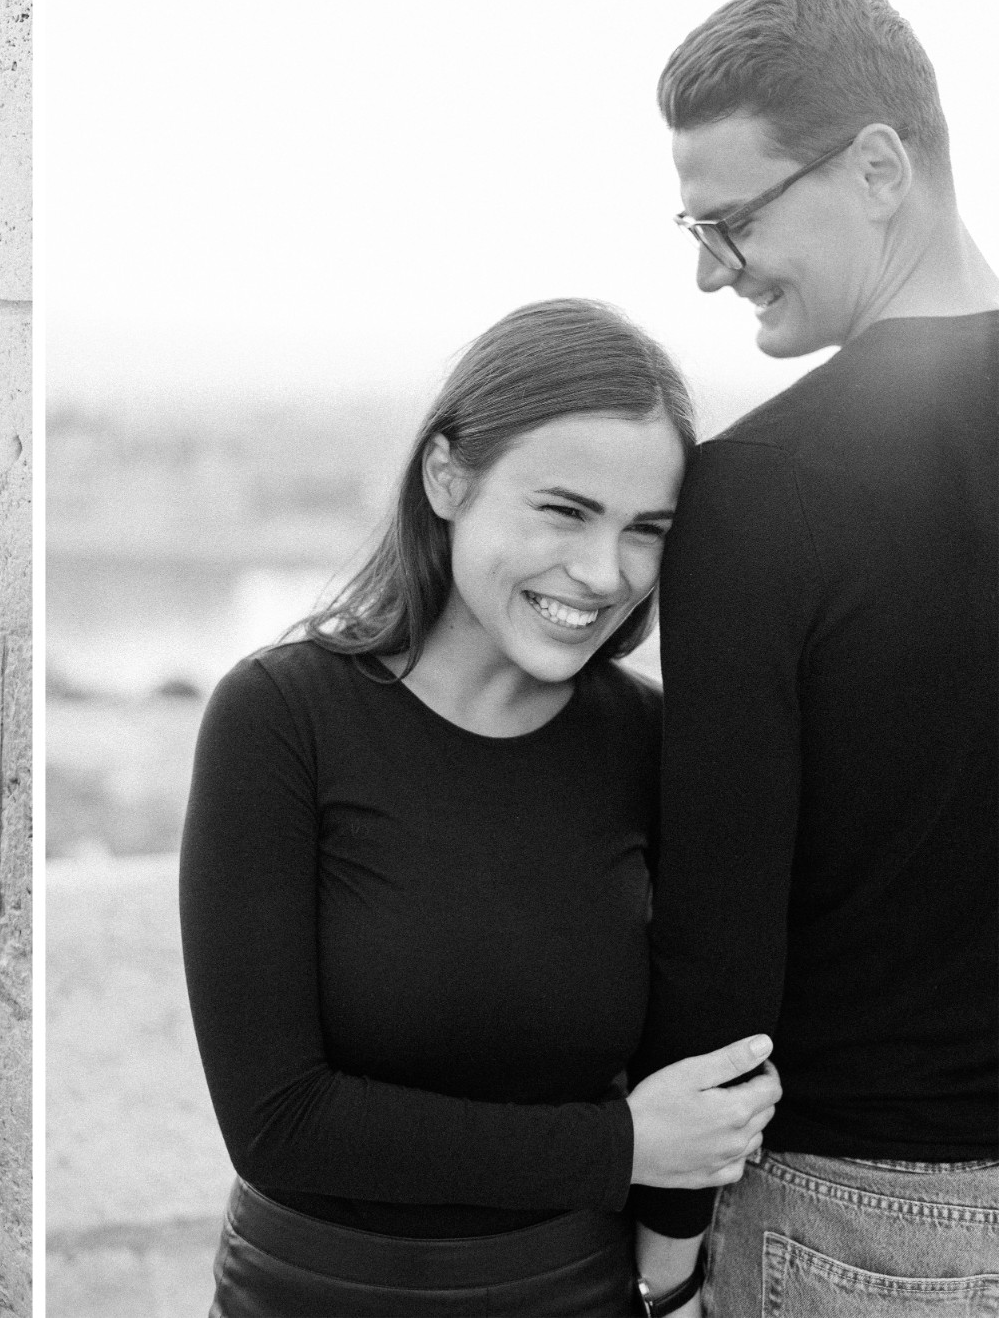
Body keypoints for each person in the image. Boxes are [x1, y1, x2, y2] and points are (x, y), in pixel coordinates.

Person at [179, 299, 783, 1317]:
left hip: (575, 1295)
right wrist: (620, 1145)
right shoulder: (281, 717)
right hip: (312, 1296)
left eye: (647, 532)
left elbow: (711, 1042)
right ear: (447, 477)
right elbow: (279, 1121)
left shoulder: (656, 745)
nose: (604, 574)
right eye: (563, 510)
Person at [631, 0, 999, 1314]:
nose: (707, 269)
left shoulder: (756, 495)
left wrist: (667, 1229)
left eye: (730, 222)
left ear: (881, 169)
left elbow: (719, 924)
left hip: (864, 1218)